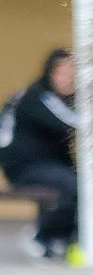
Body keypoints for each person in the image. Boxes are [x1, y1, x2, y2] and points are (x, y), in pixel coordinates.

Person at [0, 49, 79, 260]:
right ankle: (40, 237)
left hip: (48, 167)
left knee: (79, 183)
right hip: (24, 169)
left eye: (72, 73)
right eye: (62, 73)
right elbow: (71, 123)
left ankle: (65, 239)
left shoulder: (62, 100)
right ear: (50, 73)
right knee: (71, 186)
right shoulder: (37, 96)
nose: (68, 79)